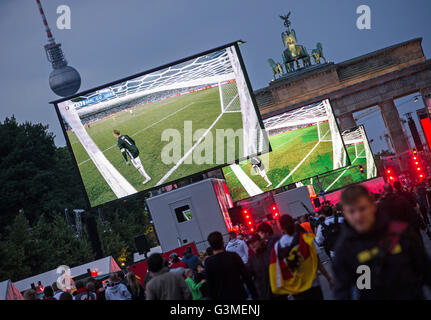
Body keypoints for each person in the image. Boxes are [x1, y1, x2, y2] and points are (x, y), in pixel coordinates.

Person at [333, 185, 431, 300]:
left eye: (362, 208)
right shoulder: (344, 249)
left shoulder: (401, 233)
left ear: (372, 206)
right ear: (345, 214)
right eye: (351, 211)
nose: (358, 216)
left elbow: (426, 270)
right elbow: (342, 293)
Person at [271, 214, 332, 300]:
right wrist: (328, 278)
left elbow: (276, 270)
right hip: (313, 284)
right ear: (294, 223)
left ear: (280, 227)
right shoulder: (306, 239)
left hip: (296, 289)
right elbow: (317, 262)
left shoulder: (277, 246)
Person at [205, 231, 257, 300]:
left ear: (211, 245)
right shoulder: (233, 256)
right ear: (222, 242)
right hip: (239, 295)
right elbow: (246, 277)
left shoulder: (209, 263)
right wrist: (254, 294)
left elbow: (210, 286)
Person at [246, 234, 274, 300]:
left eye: (254, 242)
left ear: (260, 241)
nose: (252, 245)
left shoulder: (271, 253)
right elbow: (247, 276)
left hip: (277, 293)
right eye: (250, 243)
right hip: (263, 294)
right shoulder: (251, 260)